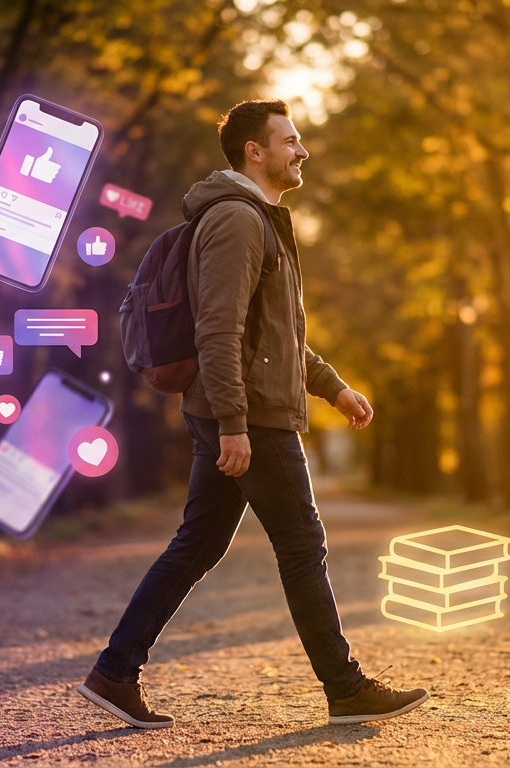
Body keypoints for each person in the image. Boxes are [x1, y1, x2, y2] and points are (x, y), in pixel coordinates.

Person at [78, 99, 429, 729]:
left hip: (241, 408)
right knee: (301, 543)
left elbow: (278, 336)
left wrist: (333, 388)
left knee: (199, 543)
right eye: (290, 141)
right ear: (255, 151)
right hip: (250, 415)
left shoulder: (257, 220)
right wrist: (234, 424)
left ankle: (115, 672)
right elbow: (218, 331)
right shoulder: (238, 220)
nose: (302, 151)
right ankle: (346, 688)